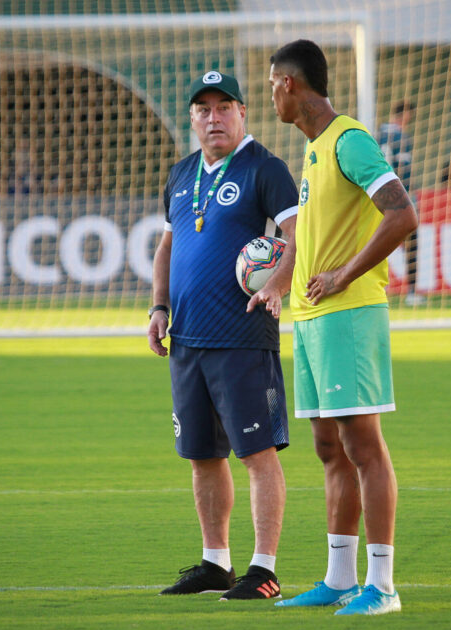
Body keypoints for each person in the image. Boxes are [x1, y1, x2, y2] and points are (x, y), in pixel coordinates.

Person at [263, 40, 418, 616]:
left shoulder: (349, 140)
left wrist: (345, 275)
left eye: (272, 83)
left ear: (291, 84)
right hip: (311, 318)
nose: (270, 94)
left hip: (348, 314)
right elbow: (312, 238)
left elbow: (403, 213)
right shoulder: (314, 150)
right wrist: (282, 285)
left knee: (362, 446)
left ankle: (383, 587)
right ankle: (339, 577)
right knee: (328, 446)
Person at [148, 71, 299, 601]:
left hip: (242, 334)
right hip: (187, 338)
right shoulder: (181, 173)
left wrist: (279, 282)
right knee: (202, 455)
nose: (214, 117)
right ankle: (216, 562)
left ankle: (264, 568)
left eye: (224, 107)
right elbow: (167, 247)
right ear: (192, 118)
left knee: (256, 453)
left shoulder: (266, 169)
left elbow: (296, 235)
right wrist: (158, 306)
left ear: (243, 113)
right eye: (203, 110)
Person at [377, 101, 422, 306]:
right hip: (398, 194)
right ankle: (411, 291)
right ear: (405, 115)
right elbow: (404, 170)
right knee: (412, 242)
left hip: (376, 195)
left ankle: (378, 287)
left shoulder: (378, 133)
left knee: (379, 240)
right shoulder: (400, 136)